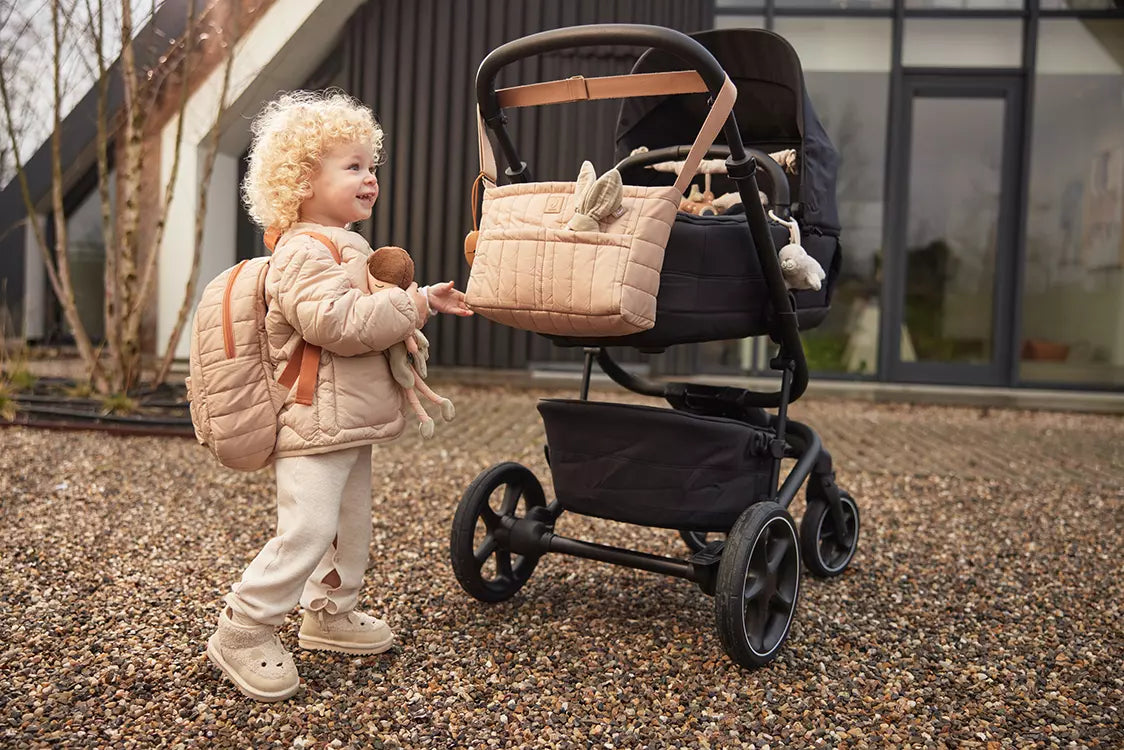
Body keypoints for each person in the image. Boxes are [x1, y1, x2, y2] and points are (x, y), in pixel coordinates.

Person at [205, 90, 472, 702]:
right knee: (308, 525)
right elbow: (339, 324)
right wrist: (418, 303)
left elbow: (364, 308)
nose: (369, 177)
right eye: (351, 167)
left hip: (347, 418)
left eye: (370, 165)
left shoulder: (339, 243)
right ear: (301, 180)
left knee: (348, 525)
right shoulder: (300, 249)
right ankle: (244, 627)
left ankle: (328, 613)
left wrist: (420, 296)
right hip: (311, 417)